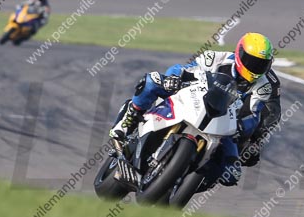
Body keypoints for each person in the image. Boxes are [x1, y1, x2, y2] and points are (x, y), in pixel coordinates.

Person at [110, 32, 282, 186]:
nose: (255, 67)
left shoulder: (264, 86)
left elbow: (254, 113)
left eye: (261, 64)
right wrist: (173, 78)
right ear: (239, 54)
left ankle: (189, 180)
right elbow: (183, 69)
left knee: (231, 174)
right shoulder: (216, 58)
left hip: (226, 121)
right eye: (252, 61)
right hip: (195, 98)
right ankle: (128, 120)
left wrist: (243, 127)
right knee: (151, 81)